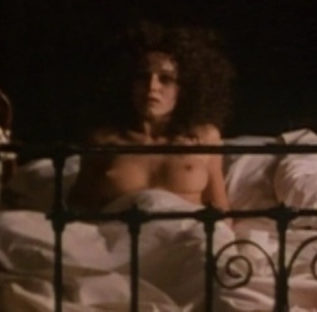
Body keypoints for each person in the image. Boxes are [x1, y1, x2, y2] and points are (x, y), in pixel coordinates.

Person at [67, 21, 235, 215]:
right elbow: (78, 208)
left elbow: (219, 207)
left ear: (185, 89)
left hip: (187, 231)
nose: (152, 87)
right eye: (142, 77)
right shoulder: (103, 141)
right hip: (121, 232)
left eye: (166, 79)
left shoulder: (204, 138)